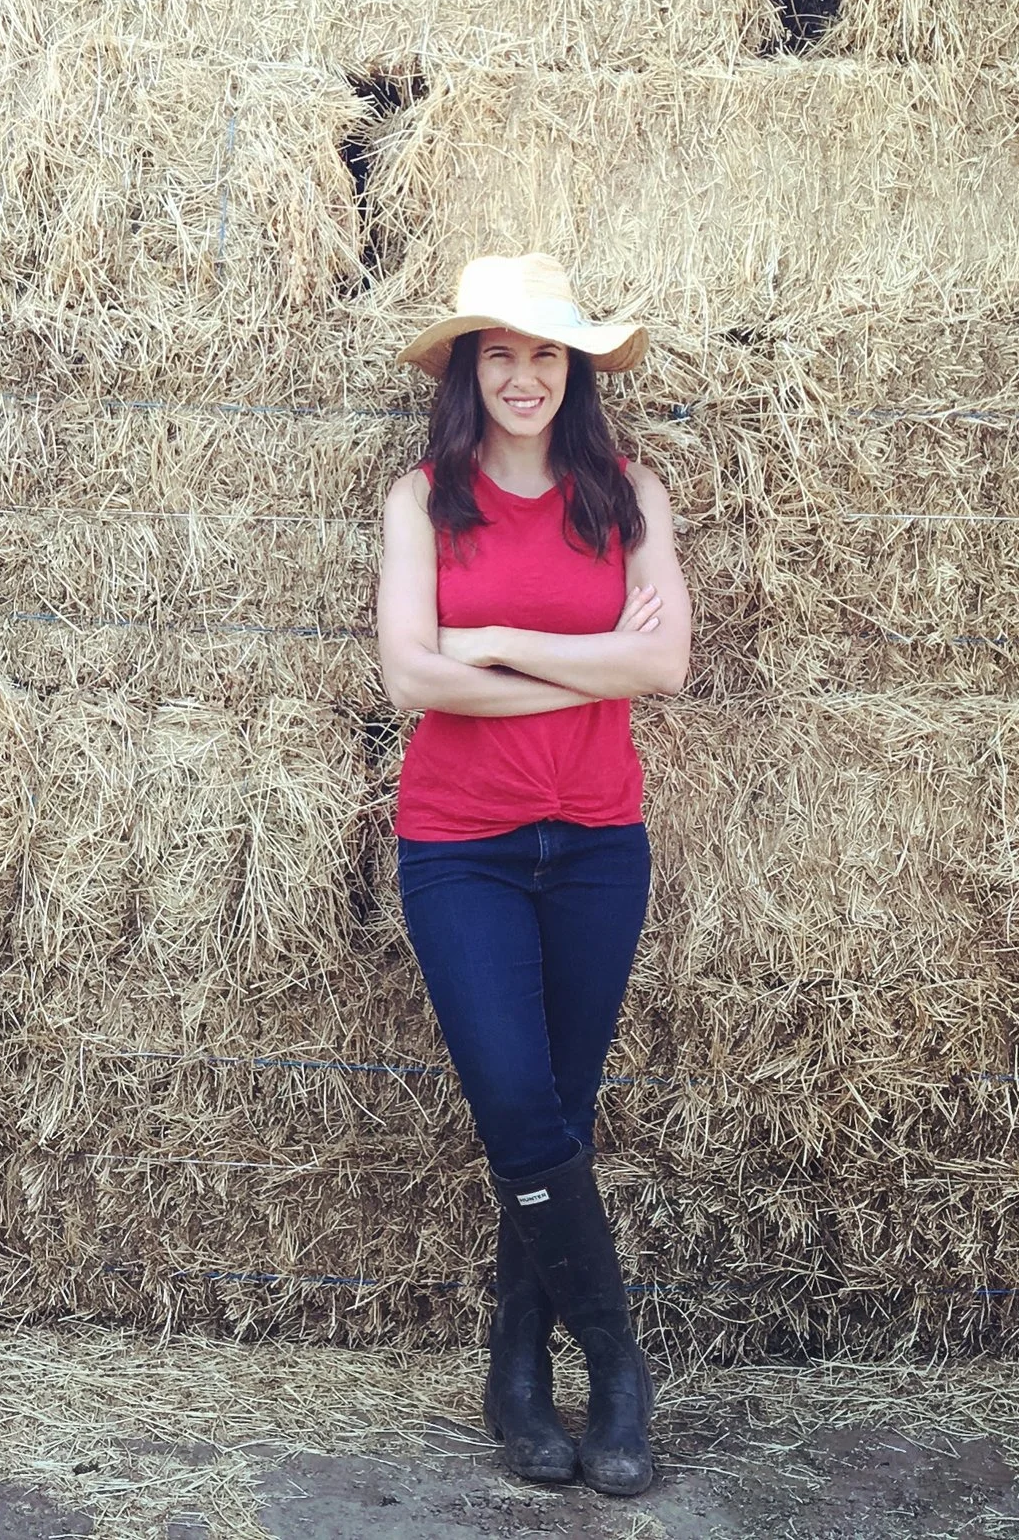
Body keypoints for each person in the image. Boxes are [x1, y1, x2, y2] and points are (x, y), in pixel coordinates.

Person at [374, 253, 693, 1498]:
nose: (520, 376)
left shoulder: (629, 495)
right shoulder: (422, 502)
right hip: (461, 847)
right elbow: (411, 679)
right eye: (496, 354)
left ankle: (517, 1367)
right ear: (468, 373)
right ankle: (616, 1368)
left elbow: (663, 671)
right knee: (515, 1101)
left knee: (555, 1114)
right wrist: (591, 658)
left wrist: (498, 641)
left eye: (543, 355)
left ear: (574, 374)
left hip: (599, 845)